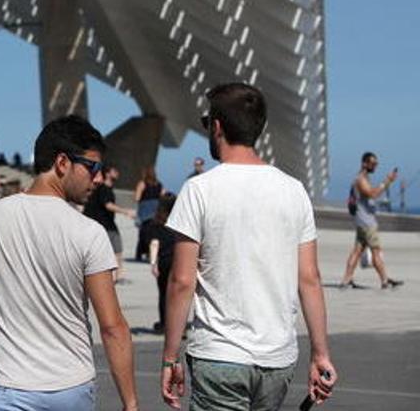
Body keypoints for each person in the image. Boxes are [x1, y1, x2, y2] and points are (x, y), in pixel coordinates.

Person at [161, 82, 337, 410]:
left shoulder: (199, 190)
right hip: (277, 359)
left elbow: (181, 281)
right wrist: (321, 353)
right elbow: (309, 278)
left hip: (219, 355)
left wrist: (171, 358)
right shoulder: (294, 190)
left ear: (216, 127)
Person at [0, 115, 139, 411]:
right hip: (70, 387)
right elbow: (112, 326)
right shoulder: (88, 232)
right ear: (62, 162)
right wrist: (130, 403)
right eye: (92, 167)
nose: (97, 178)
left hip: (7, 385)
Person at [338, 152, 403, 289]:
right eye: (373, 163)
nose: (375, 166)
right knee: (376, 250)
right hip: (367, 222)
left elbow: (368, 197)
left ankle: (346, 280)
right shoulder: (361, 179)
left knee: (357, 251)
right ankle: (385, 280)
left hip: (362, 221)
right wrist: (387, 181)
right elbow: (372, 194)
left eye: (376, 164)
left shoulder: (363, 178)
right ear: (364, 163)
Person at [83, 165, 135, 282]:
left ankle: (118, 276)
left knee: (117, 250)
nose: (117, 173)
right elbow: (108, 205)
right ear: (107, 174)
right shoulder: (103, 188)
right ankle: (113, 277)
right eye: (114, 171)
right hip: (103, 225)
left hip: (108, 224)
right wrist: (126, 211)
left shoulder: (107, 188)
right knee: (111, 251)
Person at [147, 193, 177, 334]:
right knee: (176, 295)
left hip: (164, 262)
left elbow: (154, 244)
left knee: (163, 294)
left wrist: (153, 263)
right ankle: (178, 326)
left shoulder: (157, 223)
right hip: (178, 261)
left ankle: (164, 324)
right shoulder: (180, 221)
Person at [134, 166, 165, 261]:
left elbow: (137, 198)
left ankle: (139, 254)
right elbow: (163, 196)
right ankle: (150, 253)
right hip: (155, 212)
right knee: (154, 234)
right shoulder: (159, 184)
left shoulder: (142, 183)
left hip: (145, 212)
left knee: (143, 233)